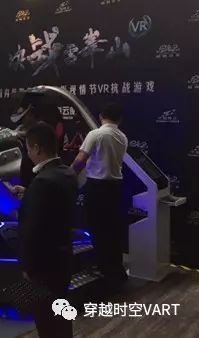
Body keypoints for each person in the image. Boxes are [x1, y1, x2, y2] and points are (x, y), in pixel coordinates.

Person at [16, 122, 78, 338]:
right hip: (62, 259)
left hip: (43, 267)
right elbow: (53, 208)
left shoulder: (42, 183)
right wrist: (29, 194)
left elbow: (32, 230)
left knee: (46, 322)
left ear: (37, 148)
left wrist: (27, 266)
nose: (28, 154)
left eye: (28, 149)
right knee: (60, 316)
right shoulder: (67, 173)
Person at [71, 103, 129, 288]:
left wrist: (67, 176)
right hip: (115, 188)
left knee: (98, 229)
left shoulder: (95, 134)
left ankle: (104, 269)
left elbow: (80, 160)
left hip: (97, 188)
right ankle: (116, 270)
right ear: (120, 119)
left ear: (100, 116)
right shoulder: (122, 137)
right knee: (112, 229)